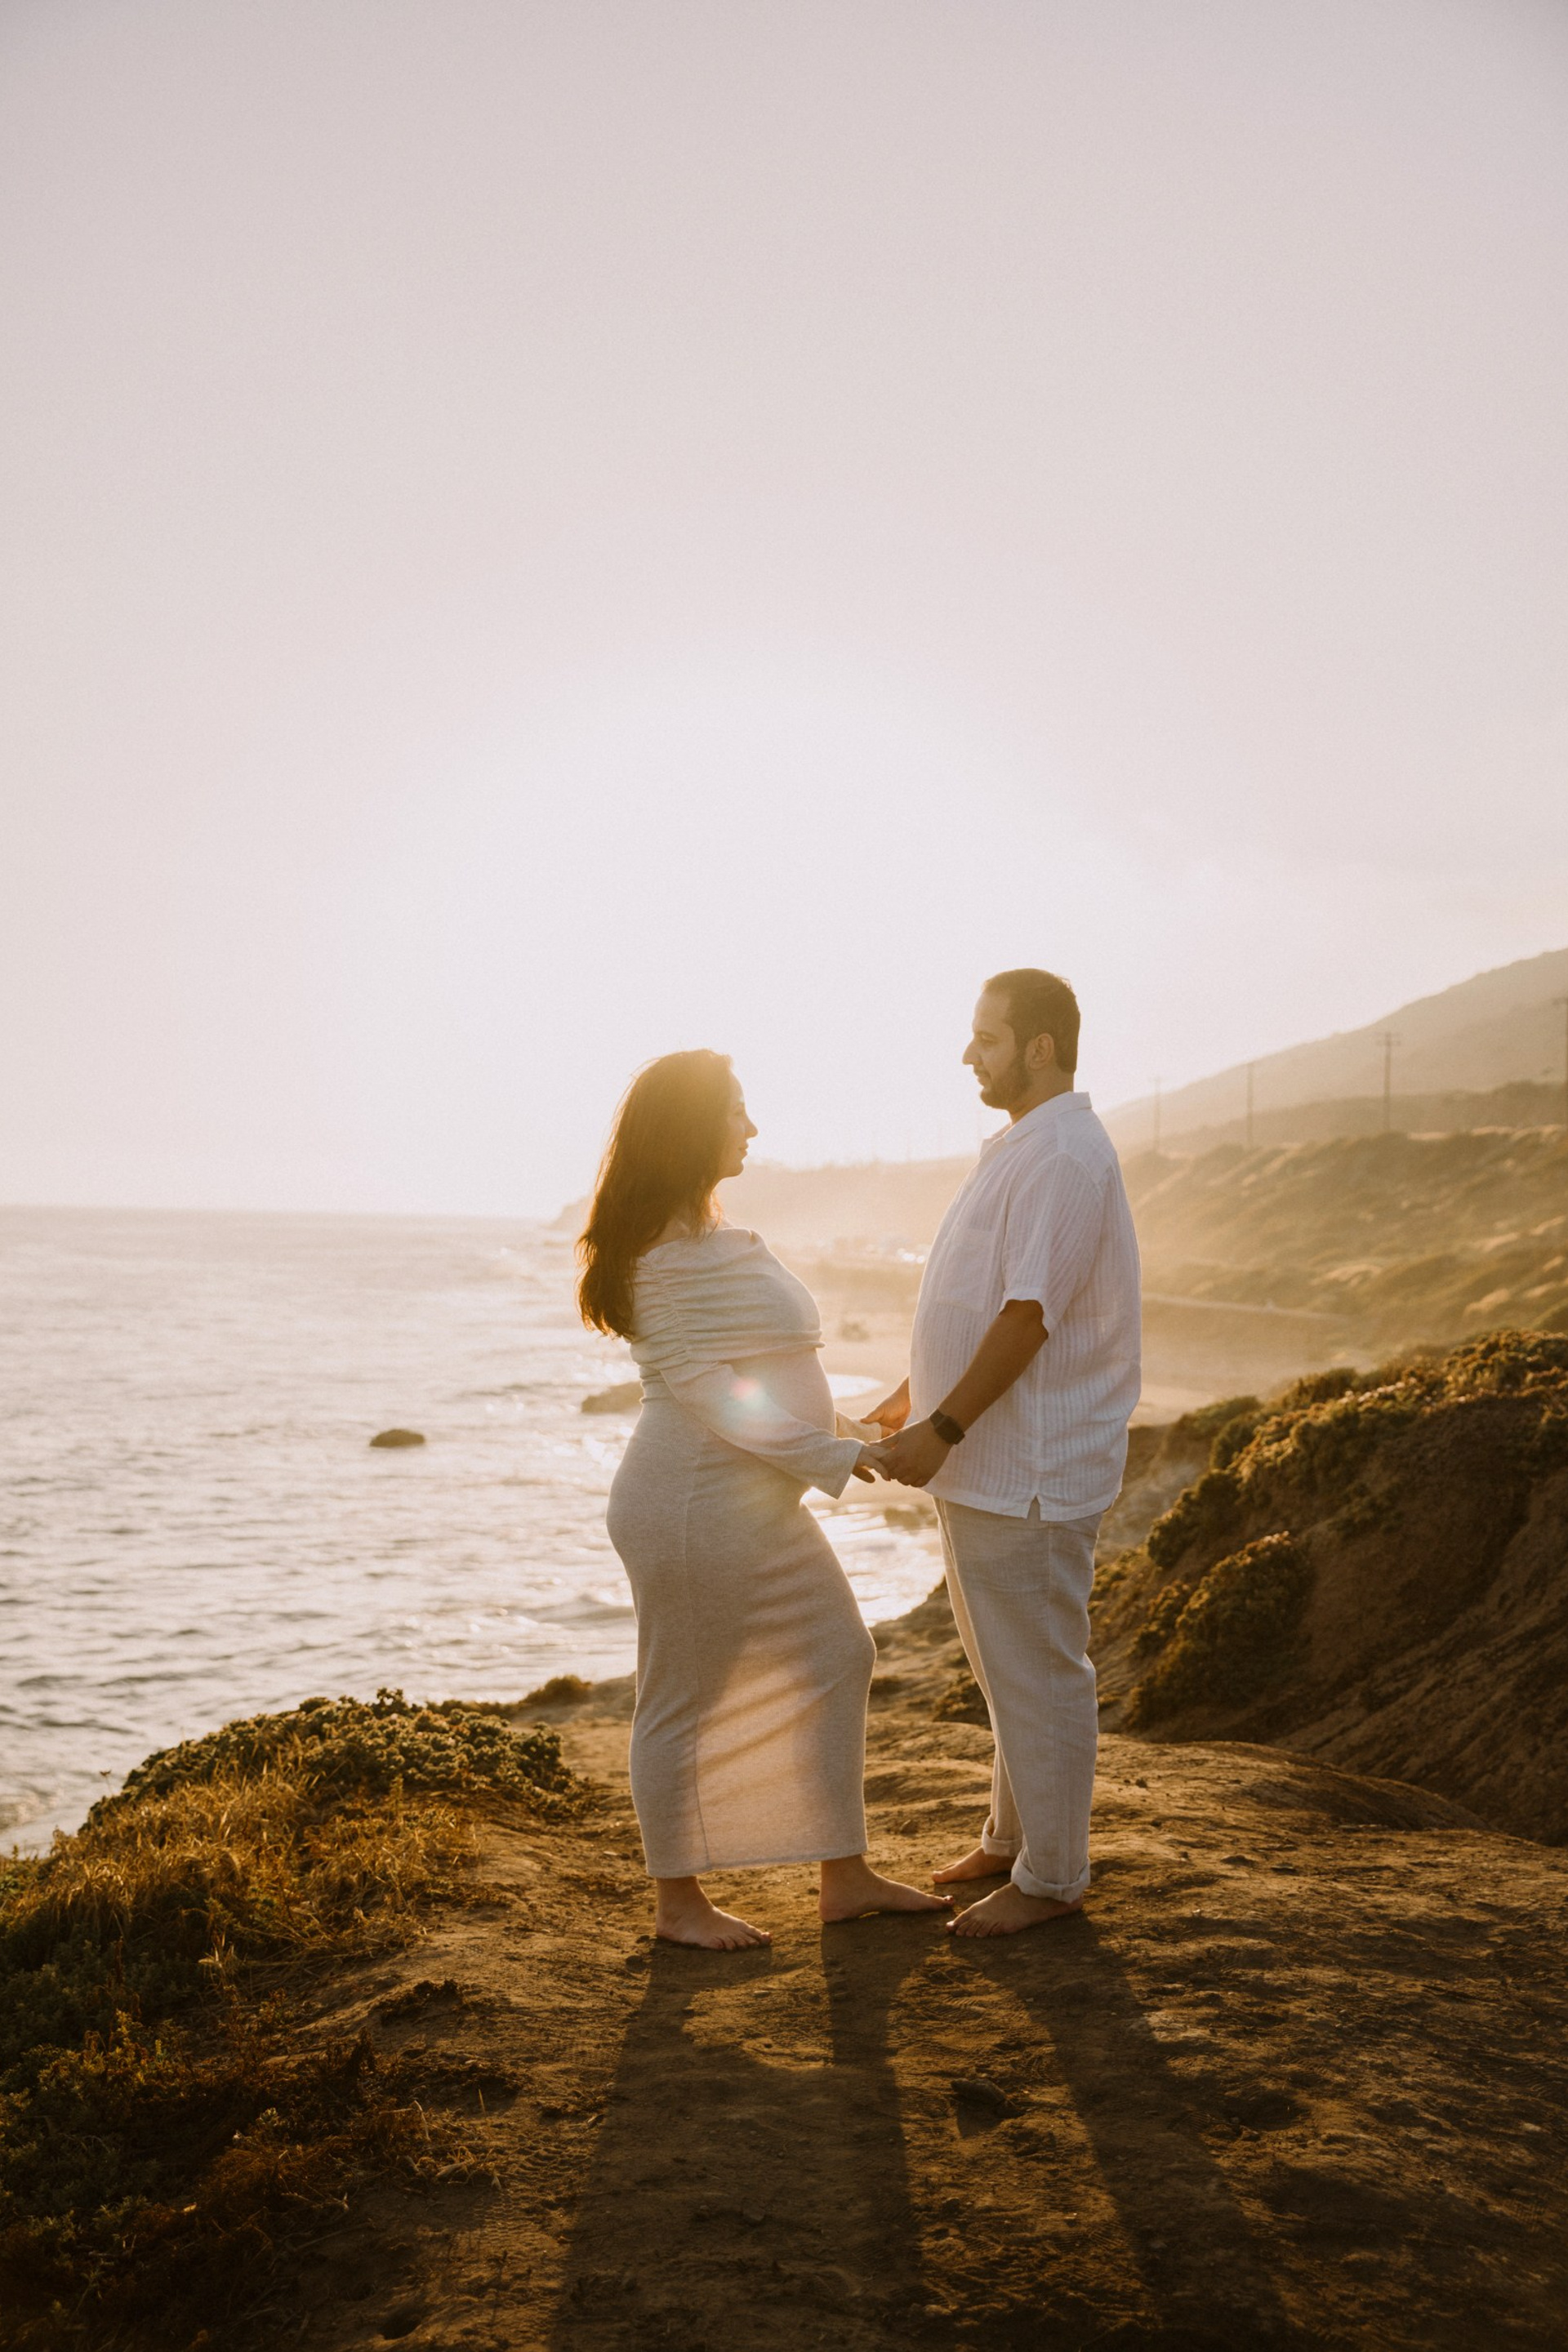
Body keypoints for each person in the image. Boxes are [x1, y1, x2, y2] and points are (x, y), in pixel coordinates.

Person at [579, 1049, 951, 1951]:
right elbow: (710, 1393)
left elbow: (765, 1368)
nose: (753, 1127)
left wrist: (851, 1425)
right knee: (682, 1696)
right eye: (739, 1110)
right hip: (691, 1502)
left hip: (747, 1502)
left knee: (835, 1653)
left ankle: (844, 1874)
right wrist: (827, 1451)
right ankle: (679, 1907)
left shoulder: (704, 1237)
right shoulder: (661, 1256)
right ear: (693, 1128)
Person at [868, 969, 1141, 1938]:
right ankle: (1008, 1839)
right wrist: (919, 1391)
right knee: (1002, 1666)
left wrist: (941, 1429)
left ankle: (1053, 1878)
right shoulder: (1027, 1146)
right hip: (988, 1462)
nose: (968, 1055)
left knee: (1039, 1671)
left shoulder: (1064, 1156)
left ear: (1039, 1046)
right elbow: (984, 1296)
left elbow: (1029, 1316)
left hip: (1025, 1466)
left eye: (986, 1039)